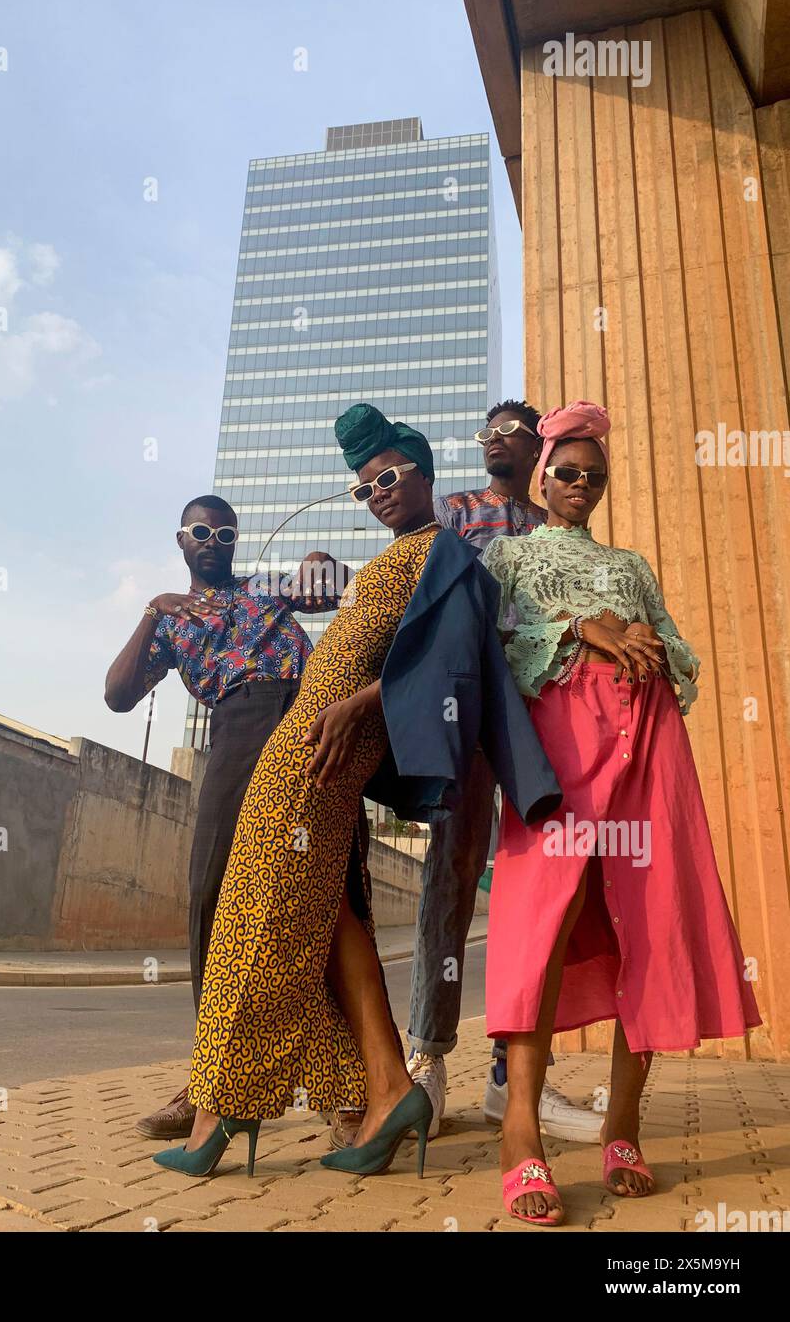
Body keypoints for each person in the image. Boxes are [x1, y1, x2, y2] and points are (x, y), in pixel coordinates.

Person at [152, 404, 561, 1180]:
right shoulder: (389, 561)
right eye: (362, 486)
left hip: (319, 751)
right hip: (304, 743)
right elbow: (291, 596)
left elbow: (449, 666)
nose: (374, 492)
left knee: (256, 911)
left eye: (388, 477)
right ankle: (383, 1090)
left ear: (425, 478)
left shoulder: (444, 552)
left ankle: (220, 1106)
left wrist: (358, 707)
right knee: (324, 915)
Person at [481, 400, 761, 1226]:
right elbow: (497, 642)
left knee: (650, 919)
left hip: (647, 737)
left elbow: (681, 650)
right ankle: (520, 1135)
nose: (580, 486)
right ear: (542, 475)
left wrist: (642, 634)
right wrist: (584, 626)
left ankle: (622, 1126)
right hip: (559, 740)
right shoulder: (507, 555)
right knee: (545, 922)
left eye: (593, 477)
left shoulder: (631, 563)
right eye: (566, 472)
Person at [105, 494, 346, 1140]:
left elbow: (328, 587)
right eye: (200, 531)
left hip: (311, 712)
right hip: (239, 723)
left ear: (236, 541)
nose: (213, 539)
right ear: (181, 541)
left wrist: (320, 567)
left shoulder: (265, 588)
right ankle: (212, 1077)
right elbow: (117, 696)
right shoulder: (172, 622)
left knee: (336, 887)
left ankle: (352, 1086)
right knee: (211, 892)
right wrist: (152, 608)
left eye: (224, 531)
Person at [406, 401, 603, 1144]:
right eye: (485, 431)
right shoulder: (456, 511)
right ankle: (425, 1058)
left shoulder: (559, 527)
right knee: (449, 871)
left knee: (536, 887)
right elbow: (431, 603)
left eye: (509, 431)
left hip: (540, 720)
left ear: (539, 448)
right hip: (469, 711)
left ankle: (511, 1073)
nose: (492, 440)